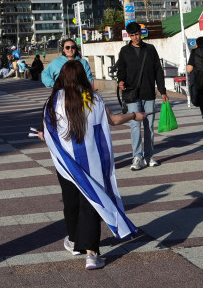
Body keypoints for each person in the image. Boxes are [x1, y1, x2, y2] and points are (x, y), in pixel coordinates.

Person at [39, 58, 141, 270]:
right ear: (82, 77)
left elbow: (50, 132)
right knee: (91, 203)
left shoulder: (54, 100)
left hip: (66, 164)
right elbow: (112, 121)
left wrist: (44, 136)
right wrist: (134, 115)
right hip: (92, 161)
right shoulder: (93, 98)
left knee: (71, 201)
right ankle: (92, 255)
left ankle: (76, 242)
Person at [116, 21, 169, 170]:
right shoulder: (125, 51)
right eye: (132, 35)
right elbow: (121, 69)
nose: (135, 38)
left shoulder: (150, 49)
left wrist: (162, 90)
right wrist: (121, 81)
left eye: (137, 34)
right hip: (132, 93)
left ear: (141, 33)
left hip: (149, 93)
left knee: (149, 126)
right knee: (135, 125)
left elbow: (158, 70)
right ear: (129, 36)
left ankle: (149, 156)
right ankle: (137, 156)